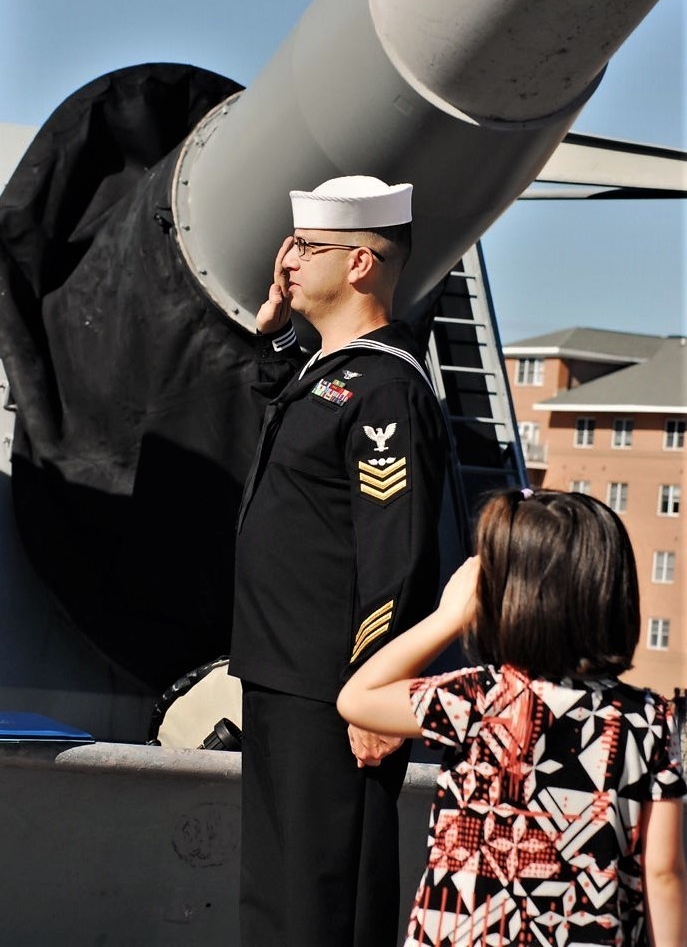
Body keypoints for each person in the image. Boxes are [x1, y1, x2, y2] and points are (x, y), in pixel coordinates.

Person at [229, 176, 448, 947]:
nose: (286, 262)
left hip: (334, 690)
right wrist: (279, 335)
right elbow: (288, 409)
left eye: (306, 248)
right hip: (282, 674)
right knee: (278, 891)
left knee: (323, 894)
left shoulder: (385, 387)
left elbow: (397, 552)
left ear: (359, 263)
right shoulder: (333, 375)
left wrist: (376, 689)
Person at [337, 488, 687, 946]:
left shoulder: (478, 698)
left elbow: (358, 697)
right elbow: (663, 873)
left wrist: (448, 617)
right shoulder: (650, 721)